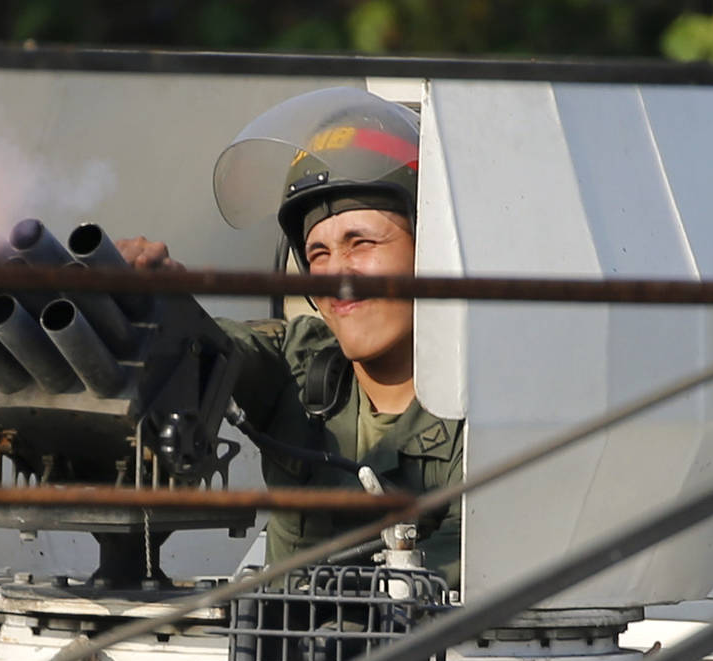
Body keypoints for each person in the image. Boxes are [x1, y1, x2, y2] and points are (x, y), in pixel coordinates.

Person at [118, 87, 462, 588]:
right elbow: (211, 348)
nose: (337, 276)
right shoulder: (297, 362)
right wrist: (148, 302)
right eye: (318, 254)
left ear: (429, 250)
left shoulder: (483, 413)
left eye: (361, 242)